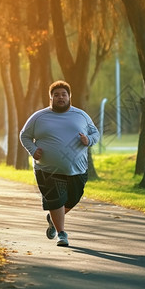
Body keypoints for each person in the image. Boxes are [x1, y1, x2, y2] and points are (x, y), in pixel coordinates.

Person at [19, 80, 100, 247]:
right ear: (51, 98)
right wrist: (33, 150)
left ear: (69, 96)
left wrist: (88, 140)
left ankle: (53, 219)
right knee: (56, 200)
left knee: (72, 199)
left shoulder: (81, 115)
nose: (60, 97)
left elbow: (96, 133)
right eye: (56, 95)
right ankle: (62, 234)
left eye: (64, 94)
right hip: (46, 169)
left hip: (77, 169)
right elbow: (24, 135)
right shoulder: (39, 117)